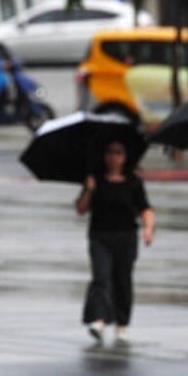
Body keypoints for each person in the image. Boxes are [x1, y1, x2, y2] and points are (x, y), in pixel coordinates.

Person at [75, 139, 155, 344]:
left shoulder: (133, 182)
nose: (114, 157)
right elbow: (81, 209)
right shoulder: (95, 180)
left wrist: (148, 228)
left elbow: (145, 208)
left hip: (126, 238)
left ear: (125, 157)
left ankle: (121, 324)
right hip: (99, 237)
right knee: (101, 277)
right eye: (110, 152)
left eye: (118, 152)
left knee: (122, 280)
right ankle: (99, 320)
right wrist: (89, 190)